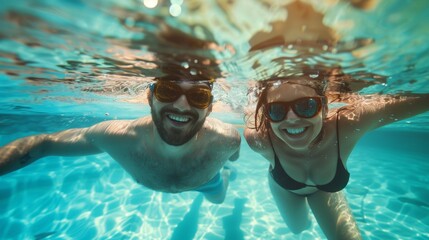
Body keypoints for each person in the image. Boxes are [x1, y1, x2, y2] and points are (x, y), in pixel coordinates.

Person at [244, 75, 429, 239]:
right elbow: (248, 116)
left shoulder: (348, 124)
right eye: (276, 110)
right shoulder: (260, 139)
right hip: (286, 189)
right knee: (299, 228)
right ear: (266, 116)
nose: (291, 118)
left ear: (324, 108)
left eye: (307, 106)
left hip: (326, 191)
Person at [0, 79, 241, 204]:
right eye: (167, 91)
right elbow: (44, 144)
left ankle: (225, 175)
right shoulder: (117, 137)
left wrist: (226, 163)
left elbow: (234, 154)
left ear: (209, 108)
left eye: (198, 96)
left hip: (208, 182)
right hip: (201, 176)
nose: (180, 105)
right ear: (150, 97)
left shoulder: (227, 139)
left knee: (218, 199)